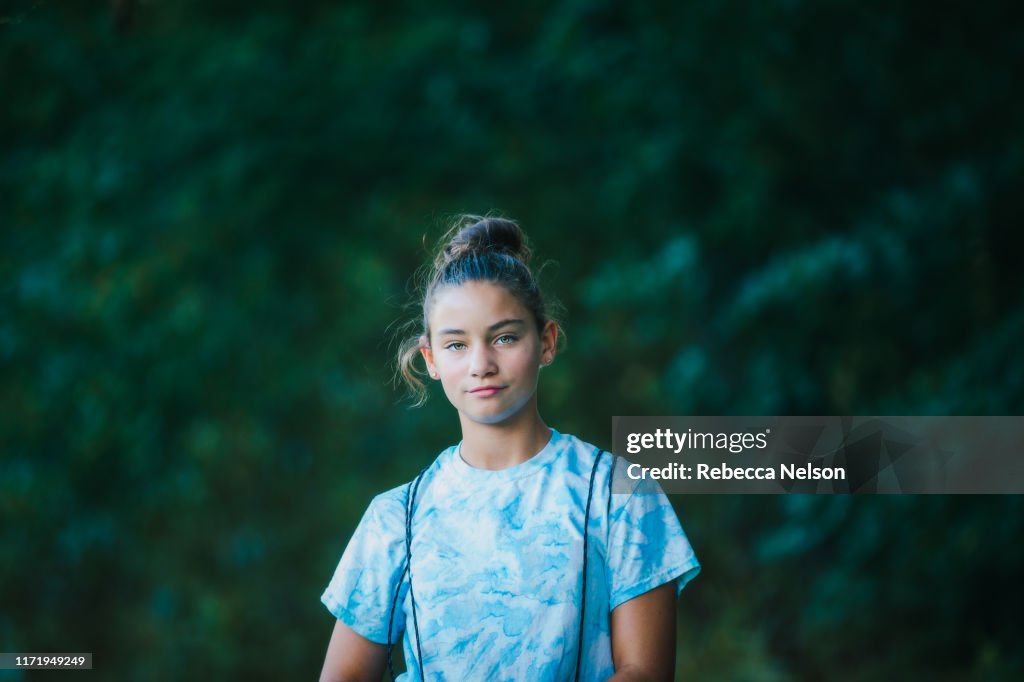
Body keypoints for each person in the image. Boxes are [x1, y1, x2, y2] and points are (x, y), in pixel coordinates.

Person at [318, 216, 700, 681]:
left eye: (504, 337)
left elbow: (646, 671)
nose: (481, 364)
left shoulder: (619, 493)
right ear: (431, 359)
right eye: (456, 345)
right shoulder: (396, 518)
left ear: (547, 342)